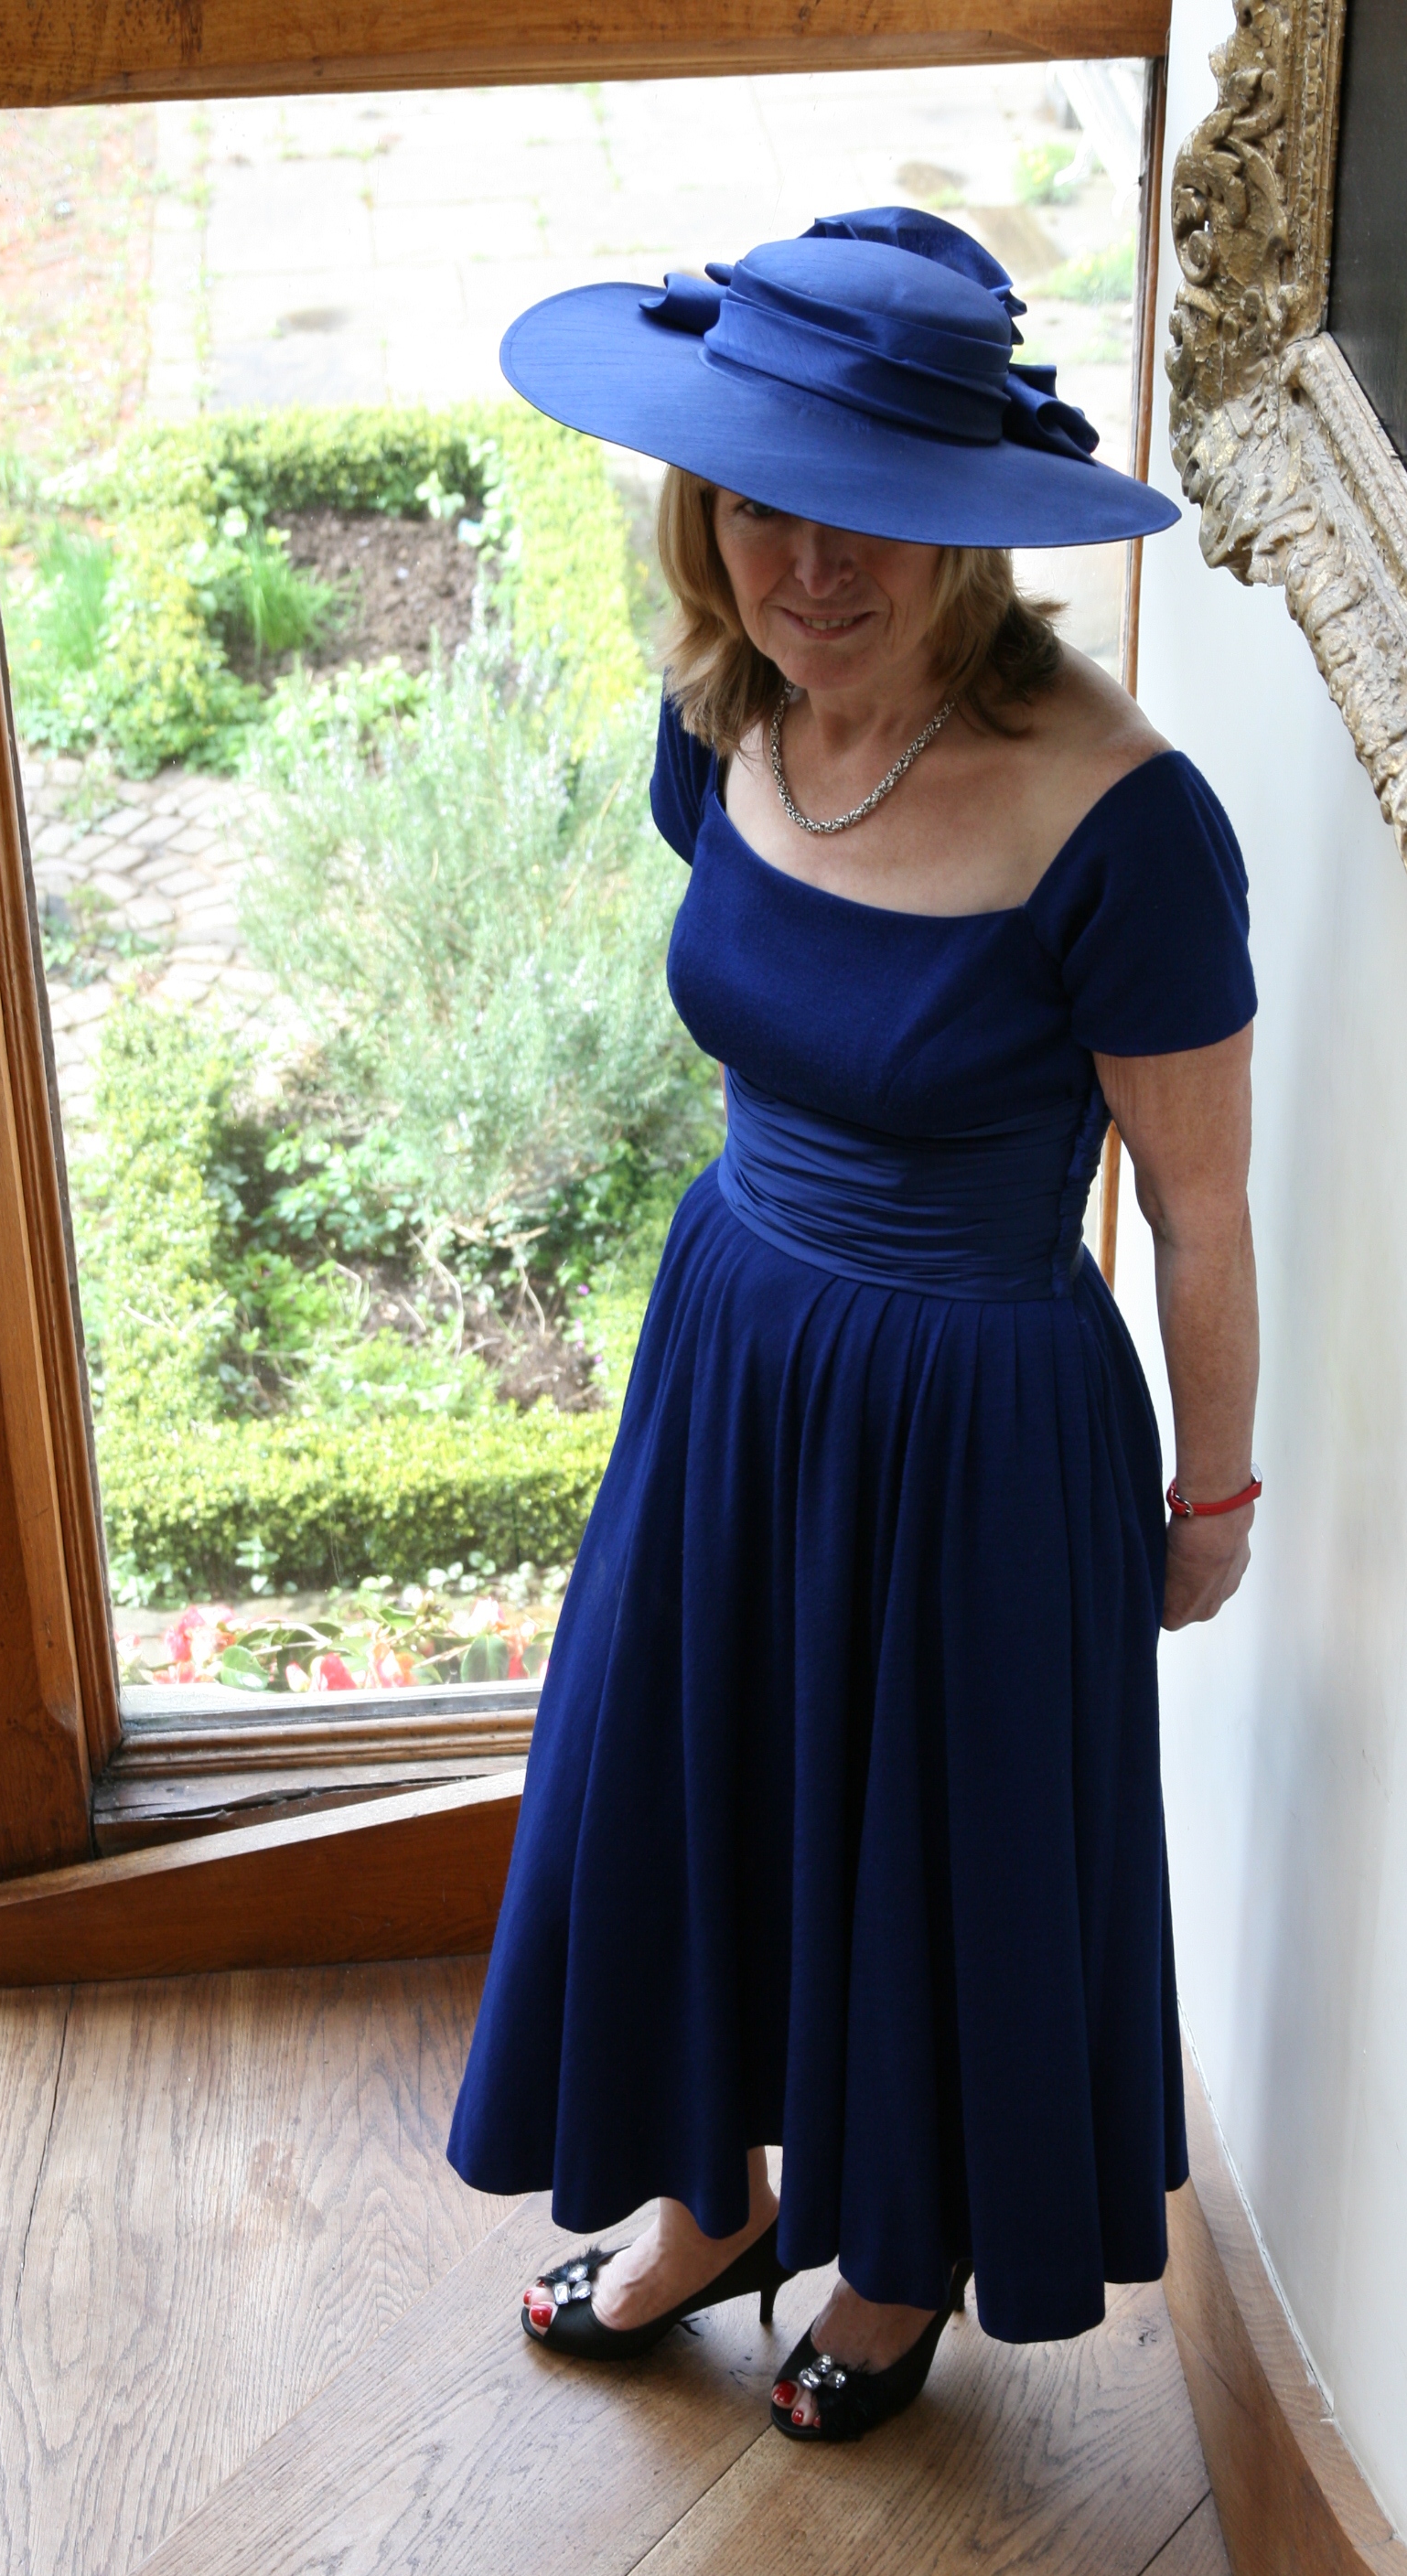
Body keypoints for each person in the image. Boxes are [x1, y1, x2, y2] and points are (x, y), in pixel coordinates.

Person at [446, 208, 1259, 2444]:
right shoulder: (713, 721)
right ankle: (707, 2198)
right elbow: (783, 1010)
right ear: (703, 509)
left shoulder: (1128, 822)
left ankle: (895, 2255)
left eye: (870, 508)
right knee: (690, 1776)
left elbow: (1197, 1207)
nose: (809, 563)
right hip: (732, 1345)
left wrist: (1209, 1499)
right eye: (760, 500)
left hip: (979, 1407)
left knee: (935, 1838)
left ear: (966, 520)